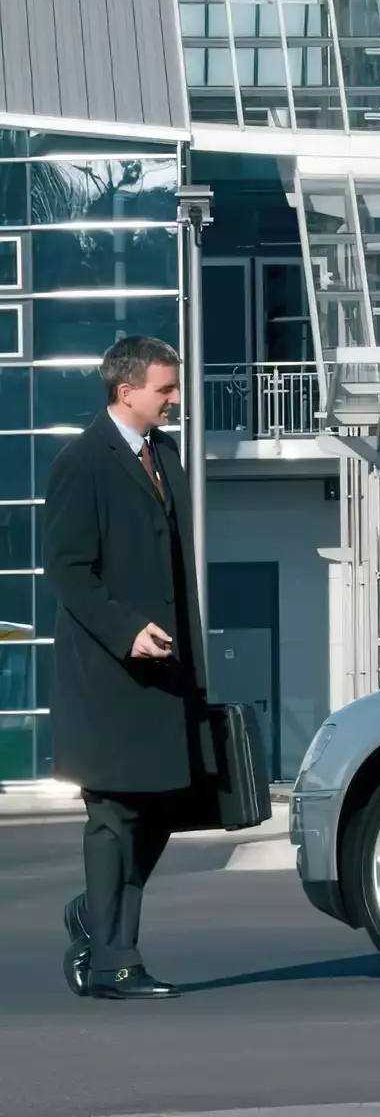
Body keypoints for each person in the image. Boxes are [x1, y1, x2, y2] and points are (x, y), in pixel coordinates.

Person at [44, 336, 203, 1001]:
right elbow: (68, 571)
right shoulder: (82, 462)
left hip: (166, 671)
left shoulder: (164, 454)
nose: (175, 399)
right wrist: (125, 630)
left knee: (166, 805)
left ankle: (94, 910)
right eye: (165, 389)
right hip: (107, 676)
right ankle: (113, 961)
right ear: (126, 389)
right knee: (113, 816)